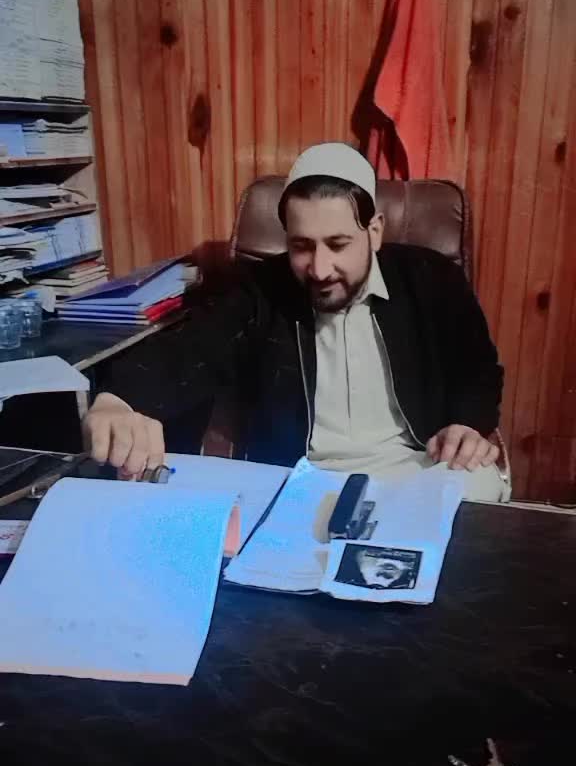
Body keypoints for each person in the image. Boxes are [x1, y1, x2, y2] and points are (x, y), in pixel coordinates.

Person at [85, 143, 509, 501]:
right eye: (302, 246)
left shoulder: (432, 277)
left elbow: (477, 367)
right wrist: (116, 400)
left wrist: (468, 423)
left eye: (338, 244)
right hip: (300, 483)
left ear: (375, 231)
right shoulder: (261, 290)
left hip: (417, 469)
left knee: (480, 487)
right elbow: (187, 351)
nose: (320, 269)